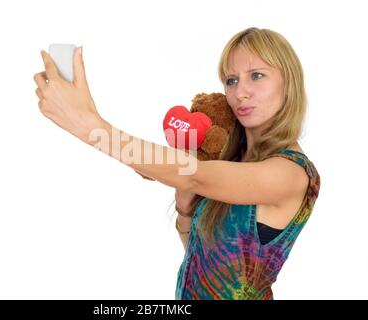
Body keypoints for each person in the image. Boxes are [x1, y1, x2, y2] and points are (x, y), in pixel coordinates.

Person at [33, 27, 321, 300]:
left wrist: (92, 127)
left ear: (289, 82)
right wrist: (185, 210)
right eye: (231, 80)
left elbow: (193, 175)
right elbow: (202, 258)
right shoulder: (232, 158)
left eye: (256, 76)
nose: (240, 92)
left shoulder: (291, 173)